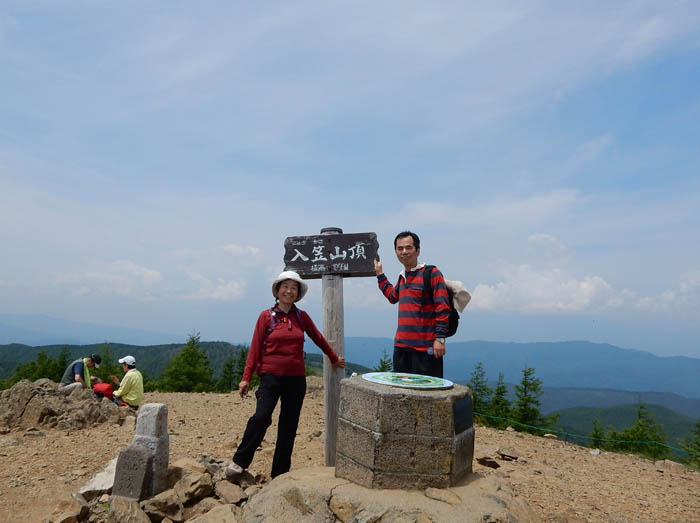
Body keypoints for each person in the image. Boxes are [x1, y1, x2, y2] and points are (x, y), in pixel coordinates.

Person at [227, 270, 346, 480]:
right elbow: (255, 348)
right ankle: (240, 461)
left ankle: (280, 474)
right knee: (261, 417)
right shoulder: (266, 316)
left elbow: (318, 337)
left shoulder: (301, 317)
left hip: (296, 380)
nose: (289, 291)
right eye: (285, 287)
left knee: (289, 426)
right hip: (270, 377)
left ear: (297, 293)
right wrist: (246, 378)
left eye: (293, 288)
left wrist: (334, 358)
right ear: (277, 290)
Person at [374, 231, 450, 378]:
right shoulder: (403, 277)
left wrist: (440, 339)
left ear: (418, 250)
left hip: (425, 349)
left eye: (408, 248)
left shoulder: (432, 273)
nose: (404, 252)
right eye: (399, 248)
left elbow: (442, 308)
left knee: (426, 393)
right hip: (401, 348)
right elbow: (392, 296)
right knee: (402, 392)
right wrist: (380, 275)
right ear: (396, 252)